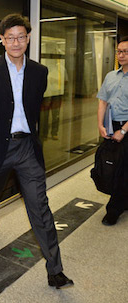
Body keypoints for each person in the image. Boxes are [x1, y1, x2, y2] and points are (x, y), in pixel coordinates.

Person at [0, 13, 73, 289]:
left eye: (21, 36)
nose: (16, 42)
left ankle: (55, 269)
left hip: (27, 148)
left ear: (28, 38)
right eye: (10, 38)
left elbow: (34, 109)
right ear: (2, 40)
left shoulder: (39, 72)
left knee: (40, 207)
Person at [96, 35, 128, 225]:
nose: (121, 55)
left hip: (126, 127)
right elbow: (102, 101)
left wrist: (123, 131)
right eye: (119, 51)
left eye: (125, 52)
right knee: (110, 165)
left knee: (122, 170)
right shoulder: (110, 76)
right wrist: (101, 124)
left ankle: (113, 209)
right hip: (111, 125)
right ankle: (123, 199)